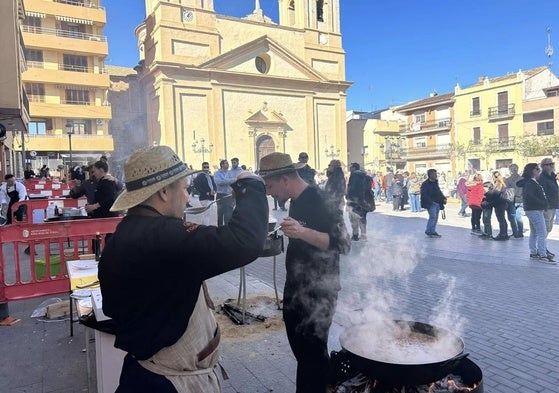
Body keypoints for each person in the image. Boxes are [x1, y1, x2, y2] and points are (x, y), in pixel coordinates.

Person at [98, 145, 268, 392]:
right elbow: (245, 242)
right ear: (165, 191)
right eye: (185, 189)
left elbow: (111, 307)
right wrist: (250, 186)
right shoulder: (166, 236)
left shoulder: (122, 235)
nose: (188, 197)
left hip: (140, 373)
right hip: (167, 383)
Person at [258, 152, 349, 393]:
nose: (268, 192)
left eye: (269, 186)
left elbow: (344, 244)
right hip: (297, 290)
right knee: (305, 356)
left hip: (320, 292)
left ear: (285, 179)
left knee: (313, 358)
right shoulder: (295, 201)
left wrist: (300, 232)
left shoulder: (323, 199)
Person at [516, 163, 555, 264]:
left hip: (533, 209)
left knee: (534, 232)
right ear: (531, 171)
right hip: (534, 210)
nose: (539, 171)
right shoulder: (530, 182)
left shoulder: (532, 181)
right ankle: (543, 255)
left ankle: (534, 252)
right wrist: (544, 204)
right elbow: (531, 196)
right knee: (542, 232)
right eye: (537, 169)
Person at [538, 158, 559, 255]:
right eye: (548, 164)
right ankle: (541, 249)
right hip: (547, 206)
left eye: (552, 163)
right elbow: (542, 192)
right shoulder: (542, 177)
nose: (551, 166)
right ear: (543, 166)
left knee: (549, 228)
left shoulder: (552, 176)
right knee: (545, 228)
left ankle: (543, 247)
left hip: (553, 204)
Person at [346, 162, 370, 241]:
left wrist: (349, 197)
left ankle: (355, 235)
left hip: (354, 201)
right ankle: (363, 235)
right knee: (362, 218)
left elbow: (352, 189)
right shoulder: (365, 176)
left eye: (351, 167)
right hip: (364, 201)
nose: (349, 168)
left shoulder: (354, 175)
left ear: (354, 168)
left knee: (353, 218)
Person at [420, 169, 446, 238]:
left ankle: (433, 231)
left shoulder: (435, 182)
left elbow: (438, 192)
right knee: (432, 217)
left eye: (436, 174)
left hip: (437, 202)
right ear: (430, 175)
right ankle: (429, 231)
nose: (436, 175)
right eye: (434, 174)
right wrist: (431, 202)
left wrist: (443, 198)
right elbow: (424, 194)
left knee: (435, 217)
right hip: (431, 203)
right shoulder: (425, 184)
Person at [505, 163, 524, 238]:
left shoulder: (508, 180)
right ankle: (520, 232)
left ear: (510, 170)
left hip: (512, 200)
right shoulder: (522, 179)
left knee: (512, 217)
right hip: (521, 200)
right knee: (519, 217)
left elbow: (507, 191)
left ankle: (515, 233)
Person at [214, 159, 235, 226]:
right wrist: (232, 180)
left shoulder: (230, 172)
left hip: (229, 196)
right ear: (222, 165)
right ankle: (220, 231)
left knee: (229, 215)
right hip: (221, 195)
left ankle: (227, 231)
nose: (228, 165)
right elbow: (219, 182)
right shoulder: (217, 173)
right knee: (220, 214)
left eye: (228, 163)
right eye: (226, 163)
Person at [489, 171, 509, 240]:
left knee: (501, 219)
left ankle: (502, 234)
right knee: (503, 219)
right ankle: (505, 234)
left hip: (499, 204)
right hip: (503, 204)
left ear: (495, 177)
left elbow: (495, 195)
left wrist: (489, 193)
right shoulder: (504, 184)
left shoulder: (498, 185)